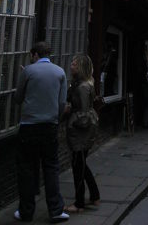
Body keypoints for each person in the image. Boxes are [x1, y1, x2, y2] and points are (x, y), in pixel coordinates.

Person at [14, 41, 69, 223]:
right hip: (49, 126)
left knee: (27, 169)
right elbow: (62, 103)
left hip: (29, 125)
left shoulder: (28, 71)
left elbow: (18, 98)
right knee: (51, 168)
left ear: (34, 55)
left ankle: (26, 212)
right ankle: (55, 210)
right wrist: (55, 119)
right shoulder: (60, 72)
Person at [64, 54, 100, 214]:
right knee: (81, 164)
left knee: (78, 165)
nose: (71, 65)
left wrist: (71, 114)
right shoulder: (80, 84)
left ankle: (79, 203)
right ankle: (94, 195)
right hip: (82, 131)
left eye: (74, 64)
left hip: (81, 132)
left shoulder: (83, 87)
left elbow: (84, 115)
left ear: (81, 68)